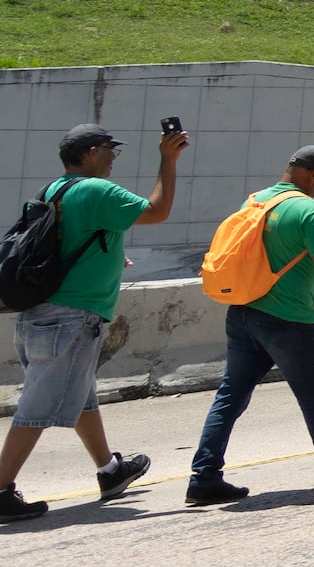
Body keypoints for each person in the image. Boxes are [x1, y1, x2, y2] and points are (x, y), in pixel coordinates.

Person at [0, 122, 181, 523]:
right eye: (111, 150)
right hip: (71, 317)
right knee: (37, 406)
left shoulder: (52, 190)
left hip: (39, 316)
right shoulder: (98, 190)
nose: (115, 158)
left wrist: (111, 259)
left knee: (82, 397)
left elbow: (63, 246)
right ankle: (0, 489)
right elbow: (158, 210)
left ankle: (110, 471)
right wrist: (167, 161)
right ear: (92, 152)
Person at [187, 145, 314, 505]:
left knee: (230, 394)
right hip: (289, 319)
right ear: (313, 174)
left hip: (243, 312)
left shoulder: (255, 202)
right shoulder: (309, 210)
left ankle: (204, 476)